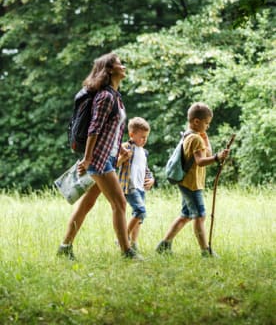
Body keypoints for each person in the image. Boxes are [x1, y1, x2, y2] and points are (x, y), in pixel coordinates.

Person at [57, 52, 141, 260]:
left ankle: (64, 247)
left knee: (87, 203)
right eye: (120, 64)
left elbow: (109, 129)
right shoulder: (105, 96)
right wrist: (87, 159)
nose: (123, 67)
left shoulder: (115, 96)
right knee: (120, 204)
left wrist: (119, 147)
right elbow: (94, 129)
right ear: (110, 69)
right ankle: (126, 251)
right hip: (98, 159)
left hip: (107, 155)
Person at [156, 102, 230, 257]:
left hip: (188, 182)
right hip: (191, 184)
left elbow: (206, 152)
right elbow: (201, 161)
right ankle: (205, 251)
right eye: (206, 123)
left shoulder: (191, 135)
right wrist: (217, 158)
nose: (208, 126)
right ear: (197, 121)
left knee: (186, 215)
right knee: (200, 215)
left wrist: (206, 137)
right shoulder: (195, 139)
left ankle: (164, 245)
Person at [117, 117, 155, 251]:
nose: (144, 140)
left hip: (140, 188)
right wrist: (123, 157)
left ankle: (133, 243)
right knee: (140, 211)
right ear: (132, 135)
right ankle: (123, 237)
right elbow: (115, 164)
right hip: (129, 186)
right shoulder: (126, 147)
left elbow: (145, 170)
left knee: (139, 218)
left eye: (146, 137)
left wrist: (151, 179)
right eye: (142, 137)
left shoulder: (144, 152)